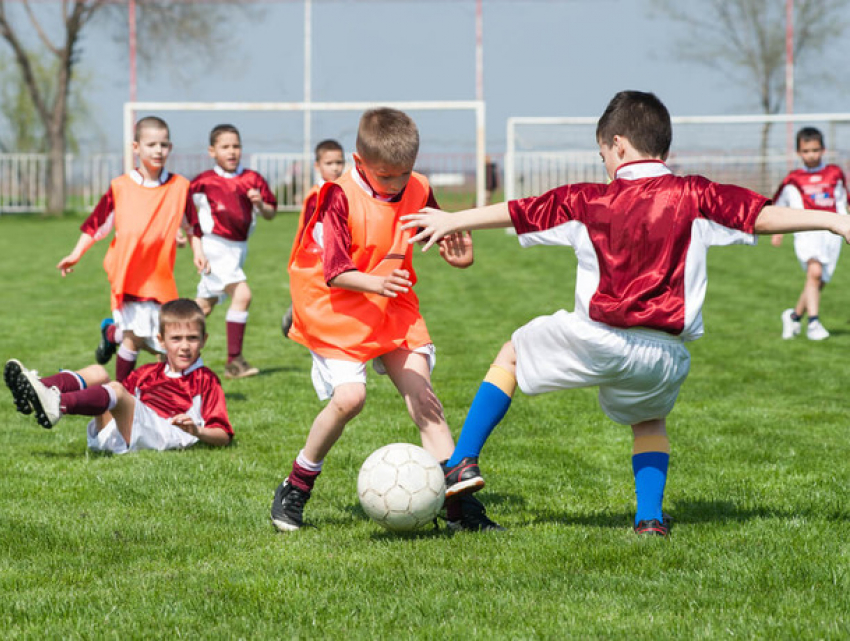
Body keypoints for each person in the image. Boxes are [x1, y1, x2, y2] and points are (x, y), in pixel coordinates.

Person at [400, 91, 850, 537]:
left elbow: (520, 212)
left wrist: (454, 219)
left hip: (598, 336)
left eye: (602, 156)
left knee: (512, 354)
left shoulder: (589, 200)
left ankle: (461, 462)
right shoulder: (696, 194)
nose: (605, 165)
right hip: (665, 354)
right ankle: (649, 519)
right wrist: (831, 221)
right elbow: (762, 216)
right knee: (650, 421)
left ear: (617, 145)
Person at [271, 107, 502, 533]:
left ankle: (460, 511)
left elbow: (439, 230)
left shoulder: (418, 187)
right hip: (336, 307)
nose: (397, 184)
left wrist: (460, 256)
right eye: (385, 176)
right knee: (350, 400)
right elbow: (336, 270)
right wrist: (376, 284)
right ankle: (296, 485)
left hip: (392, 303)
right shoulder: (338, 197)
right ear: (359, 163)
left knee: (424, 399)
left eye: (404, 174)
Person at [57, 116, 207, 383]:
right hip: (126, 274)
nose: (158, 151)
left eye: (163, 144)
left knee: (162, 344)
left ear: (170, 147)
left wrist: (198, 252)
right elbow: (96, 225)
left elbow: (193, 226)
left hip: (160, 277)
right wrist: (75, 254)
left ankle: (115, 340)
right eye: (151, 144)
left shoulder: (180, 187)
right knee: (134, 339)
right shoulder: (121, 187)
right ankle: (122, 394)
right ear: (136, 148)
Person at [4, 299, 232, 454]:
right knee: (99, 373)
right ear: (161, 340)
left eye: (192, 338)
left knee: (117, 389)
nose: (184, 346)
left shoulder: (206, 379)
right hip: (128, 432)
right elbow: (111, 399)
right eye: (176, 339)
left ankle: (57, 403)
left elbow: (224, 435)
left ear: (204, 340)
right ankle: (37, 388)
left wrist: (197, 431)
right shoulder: (147, 373)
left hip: (166, 433)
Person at [190, 124, 278, 378]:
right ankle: (234, 361)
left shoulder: (252, 179)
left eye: (236, 146)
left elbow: (271, 214)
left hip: (238, 249)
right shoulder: (204, 181)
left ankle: (165, 340)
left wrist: (260, 204)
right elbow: (183, 209)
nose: (232, 152)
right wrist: (184, 236)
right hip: (215, 246)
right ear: (212, 151)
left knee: (204, 307)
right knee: (243, 295)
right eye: (225, 147)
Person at [771, 127, 848, 341]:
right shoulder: (793, 179)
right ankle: (813, 323)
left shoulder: (834, 173)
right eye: (806, 151)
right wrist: (778, 232)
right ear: (798, 153)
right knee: (814, 273)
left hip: (832, 233)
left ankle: (794, 317)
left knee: (818, 280)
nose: (811, 155)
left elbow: (843, 200)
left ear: (822, 150)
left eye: (815, 150)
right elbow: (779, 205)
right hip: (807, 232)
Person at [282, 139, 346, 338]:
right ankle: (296, 313)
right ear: (317, 166)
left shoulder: (344, 191)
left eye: (339, 162)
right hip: (316, 261)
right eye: (329, 163)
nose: (335, 168)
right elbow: (311, 233)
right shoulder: (317, 195)